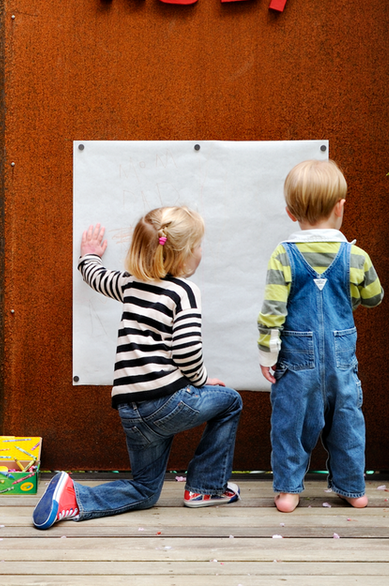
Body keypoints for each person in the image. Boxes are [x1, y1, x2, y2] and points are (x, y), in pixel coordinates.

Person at [32, 206, 244, 530]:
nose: (202, 251)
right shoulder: (184, 292)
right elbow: (187, 351)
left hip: (131, 412)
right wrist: (202, 381)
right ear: (186, 255)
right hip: (167, 403)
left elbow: (100, 279)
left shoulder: (132, 284)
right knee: (229, 401)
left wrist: (88, 256)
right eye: (199, 246)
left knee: (145, 491)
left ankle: (72, 497)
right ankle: (205, 488)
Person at [257, 159, 383, 513]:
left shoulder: (283, 254)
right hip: (342, 360)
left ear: (289, 212)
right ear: (340, 207)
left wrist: (268, 355)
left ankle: (287, 491)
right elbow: (375, 297)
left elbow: (272, 311)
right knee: (347, 424)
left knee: (290, 425)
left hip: (296, 362)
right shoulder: (355, 256)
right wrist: (347, 295)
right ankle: (352, 488)